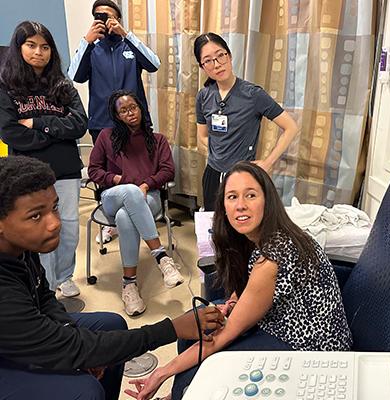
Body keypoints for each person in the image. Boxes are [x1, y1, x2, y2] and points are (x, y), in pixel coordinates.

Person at [0, 155, 225, 400]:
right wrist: (172, 328)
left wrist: (85, 348)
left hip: (27, 333)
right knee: (85, 391)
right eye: (35, 216)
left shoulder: (22, 249)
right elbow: (57, 346)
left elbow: (44, 298)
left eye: (54, 207)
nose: (54, 223)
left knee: (111, 325)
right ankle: (159, 256)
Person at [126, 161, 352, 400]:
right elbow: (251, 287)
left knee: (199, 370)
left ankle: (178, 394)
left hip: (310, 350)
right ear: (223, 205)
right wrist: (234, 301)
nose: (241, 205)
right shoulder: (255, 237)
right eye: (232, 197)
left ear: (268, 200)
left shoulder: (274, 254)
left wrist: (162, 373)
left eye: (251, 195)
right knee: (194, 330)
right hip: (280, 322)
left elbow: (224, 335)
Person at [0, 21, 87, 297]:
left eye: (45, 46)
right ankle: (44, 286)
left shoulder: (62, 84)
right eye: (31, 45)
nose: (39, 52)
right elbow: (11, 132)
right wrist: (56, 132)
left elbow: (80, 124)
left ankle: (64, 277)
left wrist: (39, 123)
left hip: (66, 169)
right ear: (19, 48)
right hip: (28, 175)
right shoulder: (7, 87)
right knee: (39, 230)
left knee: (68, 228)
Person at [69, 0, 161, 245]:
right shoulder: (93, 48)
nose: (106, 21)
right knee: (106, 174)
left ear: (118, 19)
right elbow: (74, 75)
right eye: (100, 16)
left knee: (141, 168)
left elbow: (154, 64)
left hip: (136, 122)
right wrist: (86, 41)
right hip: (102, 122)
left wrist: (126, 34)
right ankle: (112, 223)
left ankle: (141, 215)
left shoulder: (128, 45)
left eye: (111, 17)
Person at [88, 90, 184, 316]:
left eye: (133, 107)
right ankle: (161, 256)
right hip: (113, 196)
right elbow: (94, 170)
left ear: (141, 109)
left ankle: (129, 284)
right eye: (123, 110)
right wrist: (117, 179)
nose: (130, 113)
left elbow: (168, 171)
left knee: (124, 217)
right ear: (117, 115)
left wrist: (146, 185)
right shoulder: (105, 137)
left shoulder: (157, 140)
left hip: (147, 198)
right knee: (128, 193)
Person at [194, 32, 299, 211]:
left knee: (242, 229)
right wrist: (219, 152)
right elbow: (202, 136)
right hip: (212, 174)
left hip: (243, 175)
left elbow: (291, 127)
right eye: (208, 60)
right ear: (202, 67)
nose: (217, 64)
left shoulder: (253, 94)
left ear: (230, 55)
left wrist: (267, 163)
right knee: (215, 228)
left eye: (220, 55)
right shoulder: (204, 96)